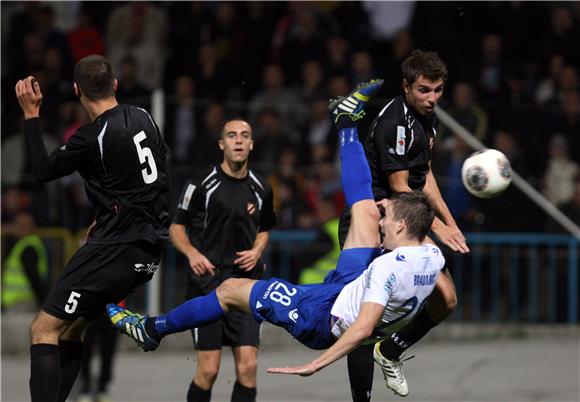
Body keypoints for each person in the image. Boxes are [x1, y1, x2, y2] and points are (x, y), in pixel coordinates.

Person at [108, 80, 443, 396]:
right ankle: (345, 120)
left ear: (402, 228)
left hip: (319, 316)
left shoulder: (387, 271)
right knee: (365, 210)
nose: (385, 217)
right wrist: (445, 226)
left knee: (229, 291)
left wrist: (316, 364)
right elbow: (448, 297)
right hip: (348, 287)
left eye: (391, 217)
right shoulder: (432, 257)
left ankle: (151, 330)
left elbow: (363, 331)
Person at [15, 54, 170, 402]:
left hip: (115, 248)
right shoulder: (145, 118)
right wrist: (113, 214)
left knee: (42, 329)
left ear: (76, 90)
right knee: (71, 329)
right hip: (149, 248)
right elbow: (159, 172)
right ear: (115, 84)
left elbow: (42, 170)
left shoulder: (91, 137)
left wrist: (30, 115)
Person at [338, 50, 469, 401]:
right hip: (371, 222)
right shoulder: (397, 121)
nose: (433, 98)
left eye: (438, 90)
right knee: (364, 324)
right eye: (425, 90)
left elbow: (423, 179)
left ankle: (391, 351)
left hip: (403, 221)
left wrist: (450, 223)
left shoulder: (427, 118)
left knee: (448, 298)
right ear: (407, 86)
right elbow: (399, 188)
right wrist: (438, 231)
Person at [169, 118, 277, 402]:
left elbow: (265, 228)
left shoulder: (262, 188)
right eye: (231, 135)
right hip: (208, 286)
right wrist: (192, 253)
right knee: (209, 370)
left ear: (252, 144)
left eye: (244, 136)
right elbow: (176, 227)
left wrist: (257, 251)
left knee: (249, 367)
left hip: (245, 285)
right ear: (222, 144)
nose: (238, 140)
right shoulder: (200, 184)